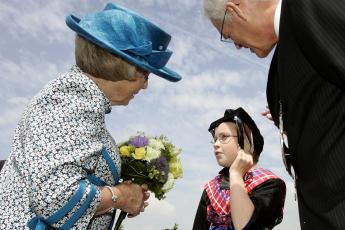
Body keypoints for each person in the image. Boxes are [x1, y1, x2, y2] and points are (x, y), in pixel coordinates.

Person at [0, 2, 181, 229]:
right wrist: (121, 197)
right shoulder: (72, 97)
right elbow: (54, 198)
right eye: (145, 75)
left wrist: (124, 191)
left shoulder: (82, 99)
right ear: (120, 66)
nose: (145, 86)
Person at [203, 0, 345, 229]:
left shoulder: (311, 7)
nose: (236, 46)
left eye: (227, 34)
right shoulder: (278, 69)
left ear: (234, 8)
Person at [193, 107, 286, 230]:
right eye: (215, 139)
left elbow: (245, 226)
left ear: (247, 142)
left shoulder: (269, 183)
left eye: (224, 137)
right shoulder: (211, 188)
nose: (216, 144)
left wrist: (236, 174)